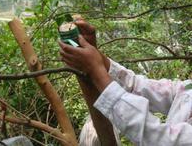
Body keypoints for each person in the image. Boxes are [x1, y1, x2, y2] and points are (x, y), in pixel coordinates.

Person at [59, 19, 192, 146]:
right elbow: (135, 85)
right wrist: (97, 57)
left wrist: (96, 70)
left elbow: (159, 138)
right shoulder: (188, 89)